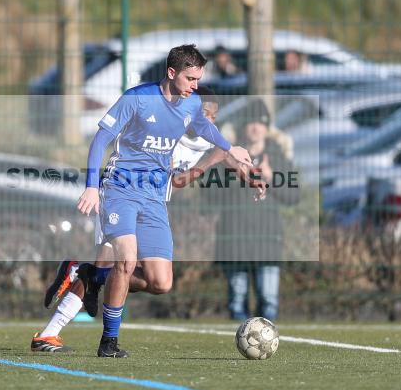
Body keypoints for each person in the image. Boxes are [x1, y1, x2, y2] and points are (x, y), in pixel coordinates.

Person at [40, 45, 258, 358]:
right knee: (126, 260)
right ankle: (108, 342)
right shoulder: (138, 98)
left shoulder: (191, 104)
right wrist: (91, 186)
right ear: (171, 73)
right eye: (190, 78)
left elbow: (203, 125)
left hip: (155, 199)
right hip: (121, 190)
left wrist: (229, 147)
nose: (195, 85)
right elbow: (101, 138)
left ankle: (92, 275)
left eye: (198, 79)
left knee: (161, 282)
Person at [208, 97, 300, 321]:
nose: (256, 127)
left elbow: (294, 196)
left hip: (268, 240)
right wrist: (236, 174)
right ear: (243, 125)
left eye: (261, 123)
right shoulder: (227, 155)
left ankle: (267, 342)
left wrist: (271, 178)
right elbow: (210, 195)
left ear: (267, 128)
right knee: (237, 299)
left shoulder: (278, 156)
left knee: (268, 299)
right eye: (251, 122)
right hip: (234, 238)